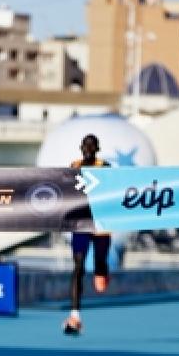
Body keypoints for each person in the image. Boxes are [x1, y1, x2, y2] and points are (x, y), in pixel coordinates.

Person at [64, 134, 111, 336]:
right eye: (85, 146)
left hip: (101, 224)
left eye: (92, 146)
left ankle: (102, 271)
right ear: (81, 148)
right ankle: (75, 315)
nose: (88, 149)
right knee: (78, 266)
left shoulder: (106, 167)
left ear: (97, 149)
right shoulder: (74, 166)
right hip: (82, 222)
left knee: (99, 265)